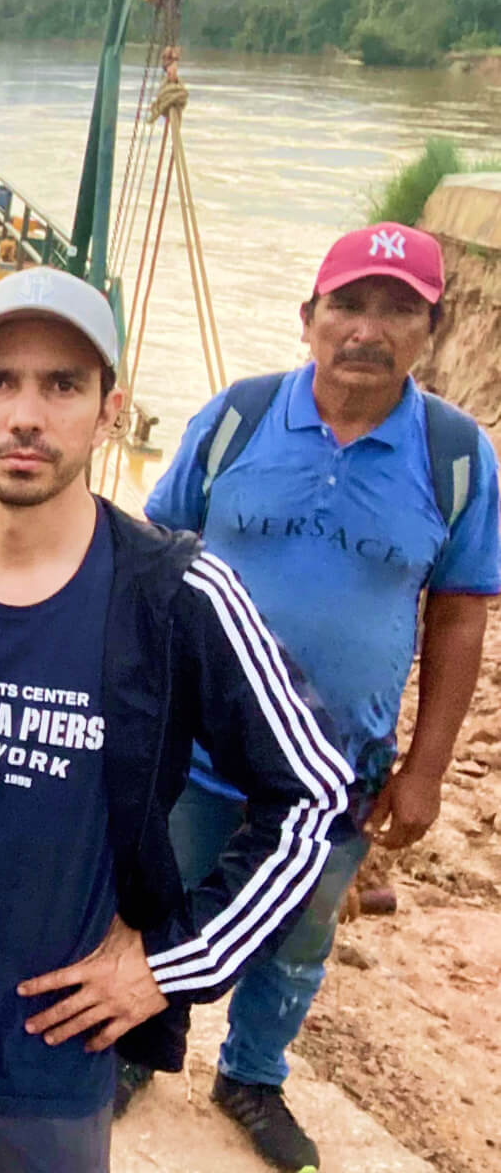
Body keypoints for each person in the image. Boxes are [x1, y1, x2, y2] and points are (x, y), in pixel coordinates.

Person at [0, 268, 354, 1173]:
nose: (26, 414)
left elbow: (312, 795)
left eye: (62, 385)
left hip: (46, 1054)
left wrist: (170, 964)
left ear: (109, 412)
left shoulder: (176, 594)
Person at [121, 223, 500, 1170]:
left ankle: (251, 1073)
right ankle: (134, 1050)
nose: (366, 330)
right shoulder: (237, 419)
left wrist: (425, 770)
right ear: (308, 318)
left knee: (299, 932)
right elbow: (151, 560)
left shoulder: (457, 457)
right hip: (199, 747)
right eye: (348, 304)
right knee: (160, 896)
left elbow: (458, 615)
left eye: (396, 309)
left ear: (432, 328)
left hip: (340, 768)